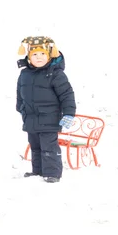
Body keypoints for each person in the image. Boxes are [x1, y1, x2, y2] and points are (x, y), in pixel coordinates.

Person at [16, 36, 76, 183]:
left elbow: (67, 94)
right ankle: (37, 171)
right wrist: (21, 108)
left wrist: (68, 113)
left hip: (49, 119)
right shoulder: (25, 74)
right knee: (35, 147)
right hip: (31, 118)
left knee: (49, 148)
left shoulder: (55, 74)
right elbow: (19, 93)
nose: (39, 57)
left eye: (42, 54)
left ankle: (52, 174)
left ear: (49, 55)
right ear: (29, 57)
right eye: (35, 54)